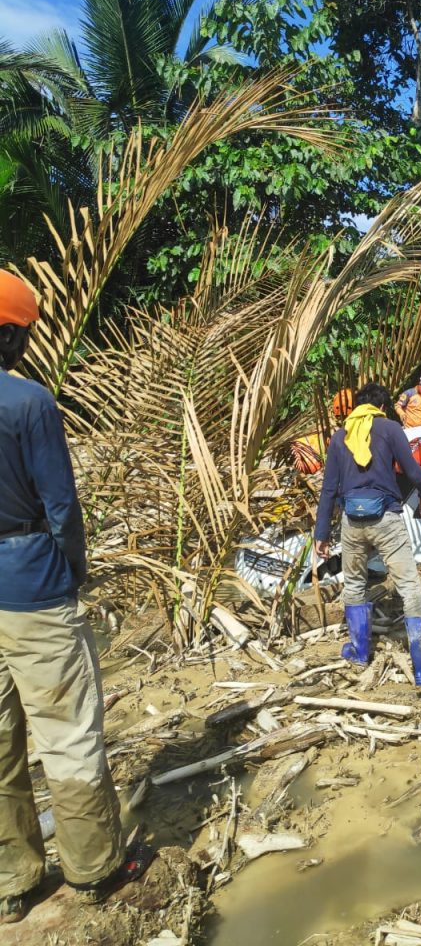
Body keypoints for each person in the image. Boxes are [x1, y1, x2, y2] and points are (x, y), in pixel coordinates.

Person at [0, 270, 151, 924]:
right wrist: (72, 571)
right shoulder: (27, 404)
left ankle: (11, 881)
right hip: (31, 584)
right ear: (9, 336)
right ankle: (93, 870)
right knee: (66, 733)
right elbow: (61, 507)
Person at [314, 383, 421, 691]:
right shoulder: (390, 429)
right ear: (382, 406)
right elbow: (415, 472)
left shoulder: (341, 437)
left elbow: (329, 489)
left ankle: (358, 652)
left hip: (352, 522)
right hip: (387, 519)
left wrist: (322, 534)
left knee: (354, 585)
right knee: (409, 586)